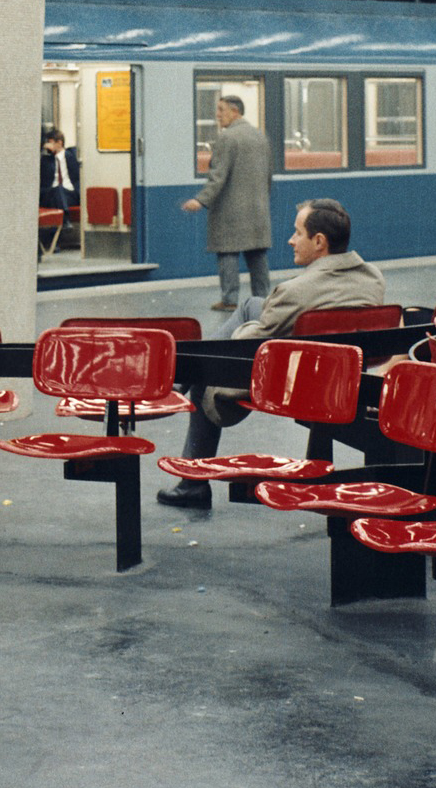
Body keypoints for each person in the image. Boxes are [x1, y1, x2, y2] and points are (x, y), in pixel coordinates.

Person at [155, 198, 386, 510]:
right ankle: (179, 379)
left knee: (207, 368)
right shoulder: (372, 277)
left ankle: (191, 482)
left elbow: (247, 346)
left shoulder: (295, 292)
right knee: (251, 304)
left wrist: (252, 328)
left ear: (319, 242)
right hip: (339, 372)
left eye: (297, 233)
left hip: (295, 378)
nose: (290, 240)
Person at [184, 93, 274, 315]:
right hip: (258, 208)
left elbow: (218, 176)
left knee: (227, 254)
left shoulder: (227, 138)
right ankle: (263, 298)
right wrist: (262, 200)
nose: (217, 116)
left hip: (230, 210)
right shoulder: (259, 136)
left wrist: (200, 200)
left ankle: (229, 298)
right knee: (257, 256)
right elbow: (268, 176)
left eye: (221, 110)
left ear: (235, 111)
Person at [39, 126, 80, 253]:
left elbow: (75, 151)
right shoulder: (46, 160)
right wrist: (42, 149)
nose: (48, 145)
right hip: (51, 193)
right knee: (57, 190)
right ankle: (65, 219)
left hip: (70, 194)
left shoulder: (70, 156)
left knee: (60, 190)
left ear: (59, 143)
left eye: (50, 142)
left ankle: (53, 240)